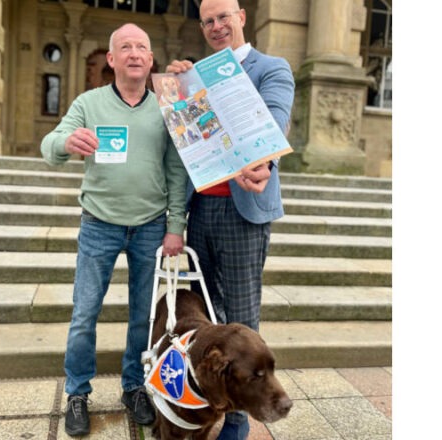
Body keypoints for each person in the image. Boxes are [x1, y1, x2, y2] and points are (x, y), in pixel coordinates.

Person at [41, 23, 188, 437]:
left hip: (150, 227)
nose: (135, 53)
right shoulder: (88, 103)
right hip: (99, 225)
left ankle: (134, 386)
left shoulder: (166, 106)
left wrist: (175, 225)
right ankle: (77, 393)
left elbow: (176, 170)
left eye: (142, 46)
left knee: (142, 315)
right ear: (112, 59)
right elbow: (49, 146)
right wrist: (66, 144)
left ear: (151, 58)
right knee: (84, 314)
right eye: (126, 47)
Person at [165, 1, 295, 438]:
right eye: (208, 21)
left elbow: (274, 122)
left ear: (241, 16)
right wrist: (178, 88)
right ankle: (199, 406)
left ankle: (237, 424)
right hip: (201, 208)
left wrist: (266, 161)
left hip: (244, 211)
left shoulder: (271, 68)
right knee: (203, 317)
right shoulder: (193, 75)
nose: (217, 26)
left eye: (224, 16)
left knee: (241, 318)